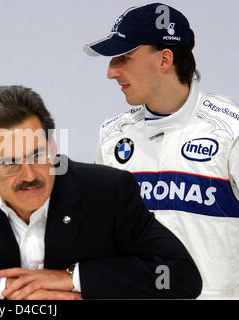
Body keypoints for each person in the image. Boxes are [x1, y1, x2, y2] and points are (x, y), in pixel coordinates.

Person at [0, 85, 202, 299]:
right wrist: (5, 285)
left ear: (53, 148)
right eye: (9, 163)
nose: (29, 175)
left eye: (37, 155)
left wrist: (73, 279)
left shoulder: (108, 192)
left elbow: (179, 275)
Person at [84, 3, 239, 298]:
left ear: (164, 59)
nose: (111, 72)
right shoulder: (112, 137)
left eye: (124, 57)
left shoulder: (231, 133)